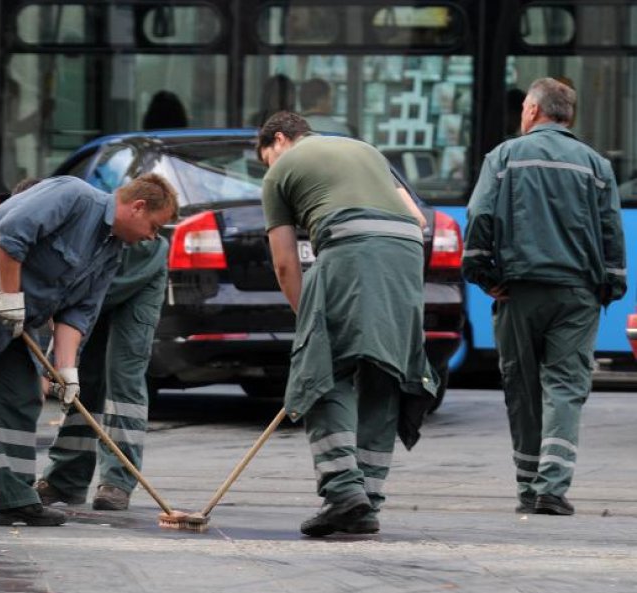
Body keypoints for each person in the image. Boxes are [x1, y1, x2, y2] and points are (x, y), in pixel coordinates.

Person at [0, 174, 178, 528]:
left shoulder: (111, 250)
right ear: (137, 206)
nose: (152, 236)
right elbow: (10, 236)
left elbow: (78, 312)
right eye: (154, 226)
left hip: (15, 317)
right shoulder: (74, 195)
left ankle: (14, 500)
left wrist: (66, 371)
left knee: (21, 398)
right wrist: (9, 296)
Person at [256, 111, 437, 537]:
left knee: (322, 370)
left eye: (266, 157)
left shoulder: (279, 172)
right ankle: (367, 502)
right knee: (384, 370)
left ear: (279, 139)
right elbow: (419, 219)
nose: (269, 165)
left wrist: (308, 325)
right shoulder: (365, 150)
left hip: (351, 249)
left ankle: (342, 492)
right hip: (406, 256)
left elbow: (284, 263)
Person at [463, 78, 627, 516]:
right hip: (577, 294)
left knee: (523, 387)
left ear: (533, 111)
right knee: (566, 387)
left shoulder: (502, 157)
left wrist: (481, 273)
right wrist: (611, 285)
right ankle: (552, 487)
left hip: (518, 292)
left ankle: (526, 486)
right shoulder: (595, 164)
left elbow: (478, 214)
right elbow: (611, 230)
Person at [35, 215, 169, 511]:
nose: (154, 235)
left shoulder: (144, 245)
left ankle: (118, 480)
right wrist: (58, 369)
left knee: (123, 377)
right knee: (83, 380)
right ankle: (65, 480)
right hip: (91, 290)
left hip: (136, 287)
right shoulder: (56, 231)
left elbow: (61, 304)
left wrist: (47, 369)